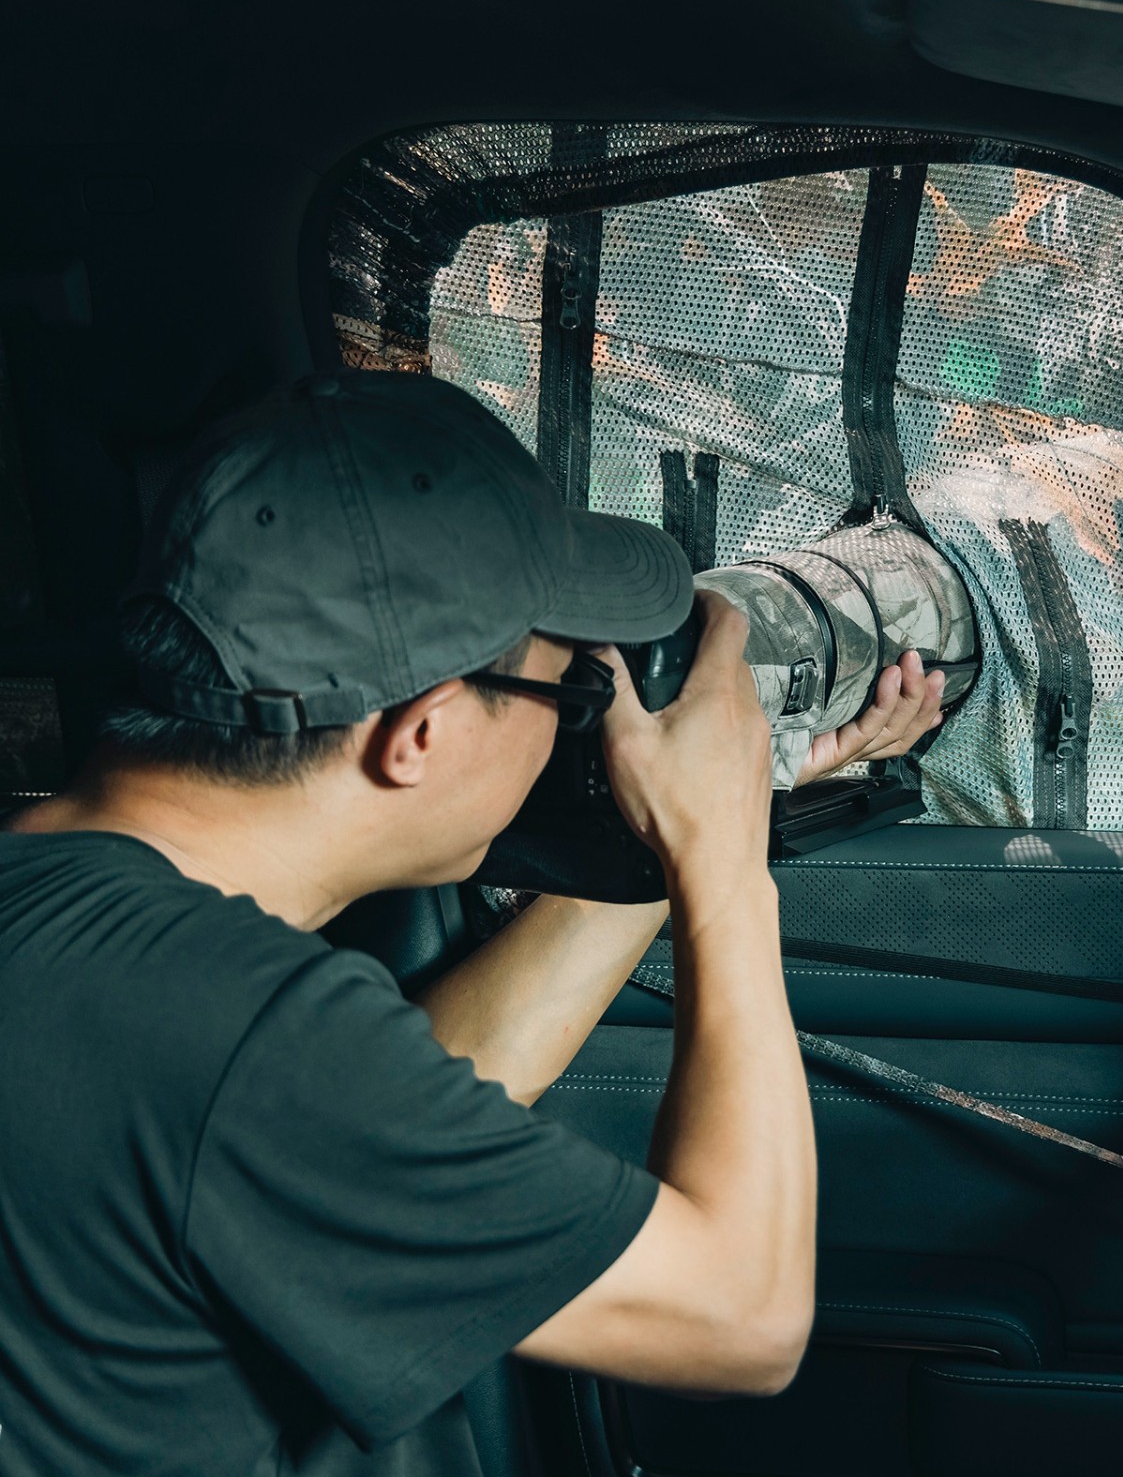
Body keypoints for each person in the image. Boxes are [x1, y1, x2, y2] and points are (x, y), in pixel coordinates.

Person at [0, 370, 945, 1475]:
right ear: (423, 733)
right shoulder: (242, 1043)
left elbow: (405, 1110)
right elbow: (744, 1316)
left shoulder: (82, 926)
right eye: (570, 694)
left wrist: (699, 821)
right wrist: (722, 867)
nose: (580, 724)